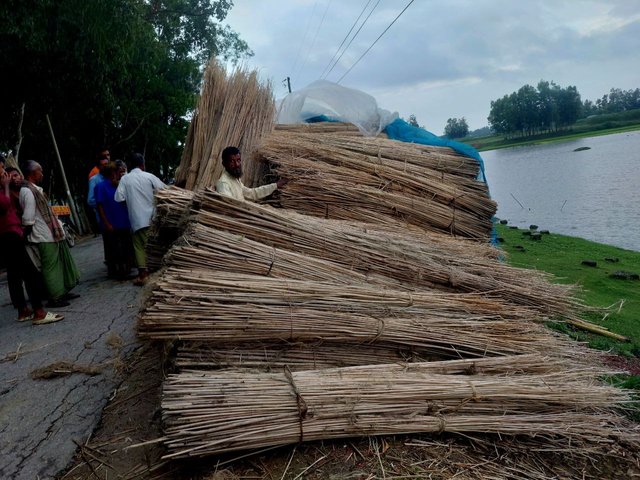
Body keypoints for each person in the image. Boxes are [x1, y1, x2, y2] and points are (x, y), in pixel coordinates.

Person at [0, 158, 63, 324]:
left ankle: (23, 311)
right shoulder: (9, 189)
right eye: (1, 168)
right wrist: (6, 186)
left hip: (10, 232)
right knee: (31, 273)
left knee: (15, 274)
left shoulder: (19, 190)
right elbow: (5, 205)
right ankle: (39, 312)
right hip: (10, 232)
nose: (4, 173)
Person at [19, 160, 80, 307]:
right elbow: (27, 218)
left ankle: (62, 291)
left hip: (50, 233)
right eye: (40, 170)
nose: (42, 173)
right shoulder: (28, 191)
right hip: (42, 235)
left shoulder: (34, 189)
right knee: (50, 267)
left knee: (58, 264)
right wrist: (27, 236)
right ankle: (54, 297)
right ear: (32, 174)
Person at [115, 153, 166, 286]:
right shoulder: (149, 176)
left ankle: (143, 274)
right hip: (152, 218)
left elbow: (119, 198)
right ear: (142, 165)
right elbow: (165, 190)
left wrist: (131, 205)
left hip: (136, 220)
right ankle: (159, 271)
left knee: (139, 247)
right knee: (154, 245)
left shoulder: (125, 180)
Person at [95, 162, 134, 279]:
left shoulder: (118, 184)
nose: (118, 174)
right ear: (111, 173)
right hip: (111, 223)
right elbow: (100, 207)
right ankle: (116, 272)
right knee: (114, 249)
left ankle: (126, 269)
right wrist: (107, 223)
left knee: (126, 246)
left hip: (123, 222)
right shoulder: (100, 187)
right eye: (116, 172)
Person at [215, 146, 287, 201]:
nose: (237, 164)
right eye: (232, 161)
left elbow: (252, 193)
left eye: (238, 160)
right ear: (224, 164)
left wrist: (275, 185)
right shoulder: (223, 183)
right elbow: (228, 208)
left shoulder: (235, 179)